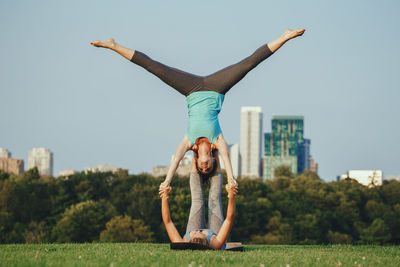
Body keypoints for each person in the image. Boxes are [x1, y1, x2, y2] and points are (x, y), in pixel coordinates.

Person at [91, 28, 305, 189]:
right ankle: (286, 36)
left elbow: (175, 160)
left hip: (191, 90)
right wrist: (230, 179)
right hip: (216, 88)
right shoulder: (217, 140)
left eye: (202, 168)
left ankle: (113, 45)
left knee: (154, 67)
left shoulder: (189, 142)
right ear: (212, 159)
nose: (204, 167)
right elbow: (228, 162)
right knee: (248, 64)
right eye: (207, 167)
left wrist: (167, 181)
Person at [159, 180, 238, 250]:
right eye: (202, 233)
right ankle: (217, 169)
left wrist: (164, 196)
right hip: (215, 235)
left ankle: (195, 166)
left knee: (197, 200)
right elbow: (228, 220)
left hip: (195, 239)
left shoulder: (183, 242)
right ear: (208, 243)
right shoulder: (215, 244)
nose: (199, 231)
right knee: (214, 199)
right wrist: (231, 196)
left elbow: (168, 222)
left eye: (195, 233)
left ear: (189, 241)